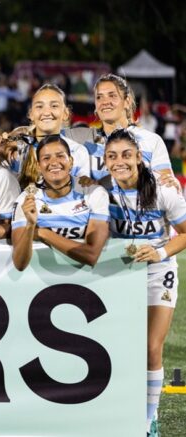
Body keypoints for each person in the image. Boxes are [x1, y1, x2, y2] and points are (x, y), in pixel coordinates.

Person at [101, 129, 186, 436]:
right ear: (105, 161)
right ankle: (119, 410)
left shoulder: (163, 190)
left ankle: (149, 420)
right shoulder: (101, 192)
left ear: (139, 157)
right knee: (119, 346)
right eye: (112, 156)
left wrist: (160, 252)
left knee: (151, 347)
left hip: (158, 271)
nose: (120, 162)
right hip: (119, 273)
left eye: (126, 155)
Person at [11, 135, 110, 270]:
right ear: (38, 166)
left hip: (91, 280)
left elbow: (91, 256)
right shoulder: (26, 200)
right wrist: (30, 226)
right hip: (44, 280)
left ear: (71, 161)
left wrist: (43, 233)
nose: (54, 162)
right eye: (46, 158)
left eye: (60, 156)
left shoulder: (94, 193)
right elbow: (19, 264)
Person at [79, 74, 172, 182]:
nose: (105, 102)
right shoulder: (83, 145)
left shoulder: (151, 141)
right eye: (99, 97)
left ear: (127, 102)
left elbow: (167, 187)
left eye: (112, 95)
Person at [3, 84, 91, 186]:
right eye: (40, 106)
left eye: (54, 106)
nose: (46, 112)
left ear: (66, 113)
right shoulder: (15, 149)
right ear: (31, 114)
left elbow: (82, 190)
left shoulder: (78, 151)